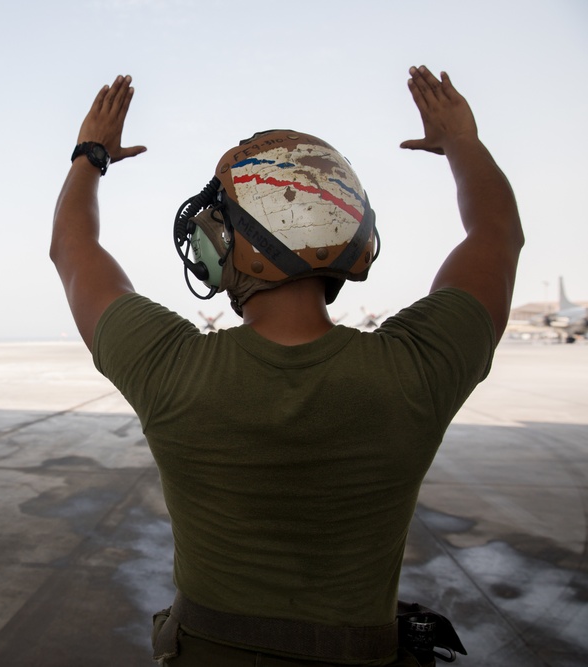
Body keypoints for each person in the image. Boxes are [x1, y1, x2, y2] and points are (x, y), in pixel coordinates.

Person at [50, 67, 523, 666]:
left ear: (231, 244)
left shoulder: (169, 368)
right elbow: (498, 234)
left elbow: (72, 247)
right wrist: (462, 141)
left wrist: (91, 155)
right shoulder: (419, 369)